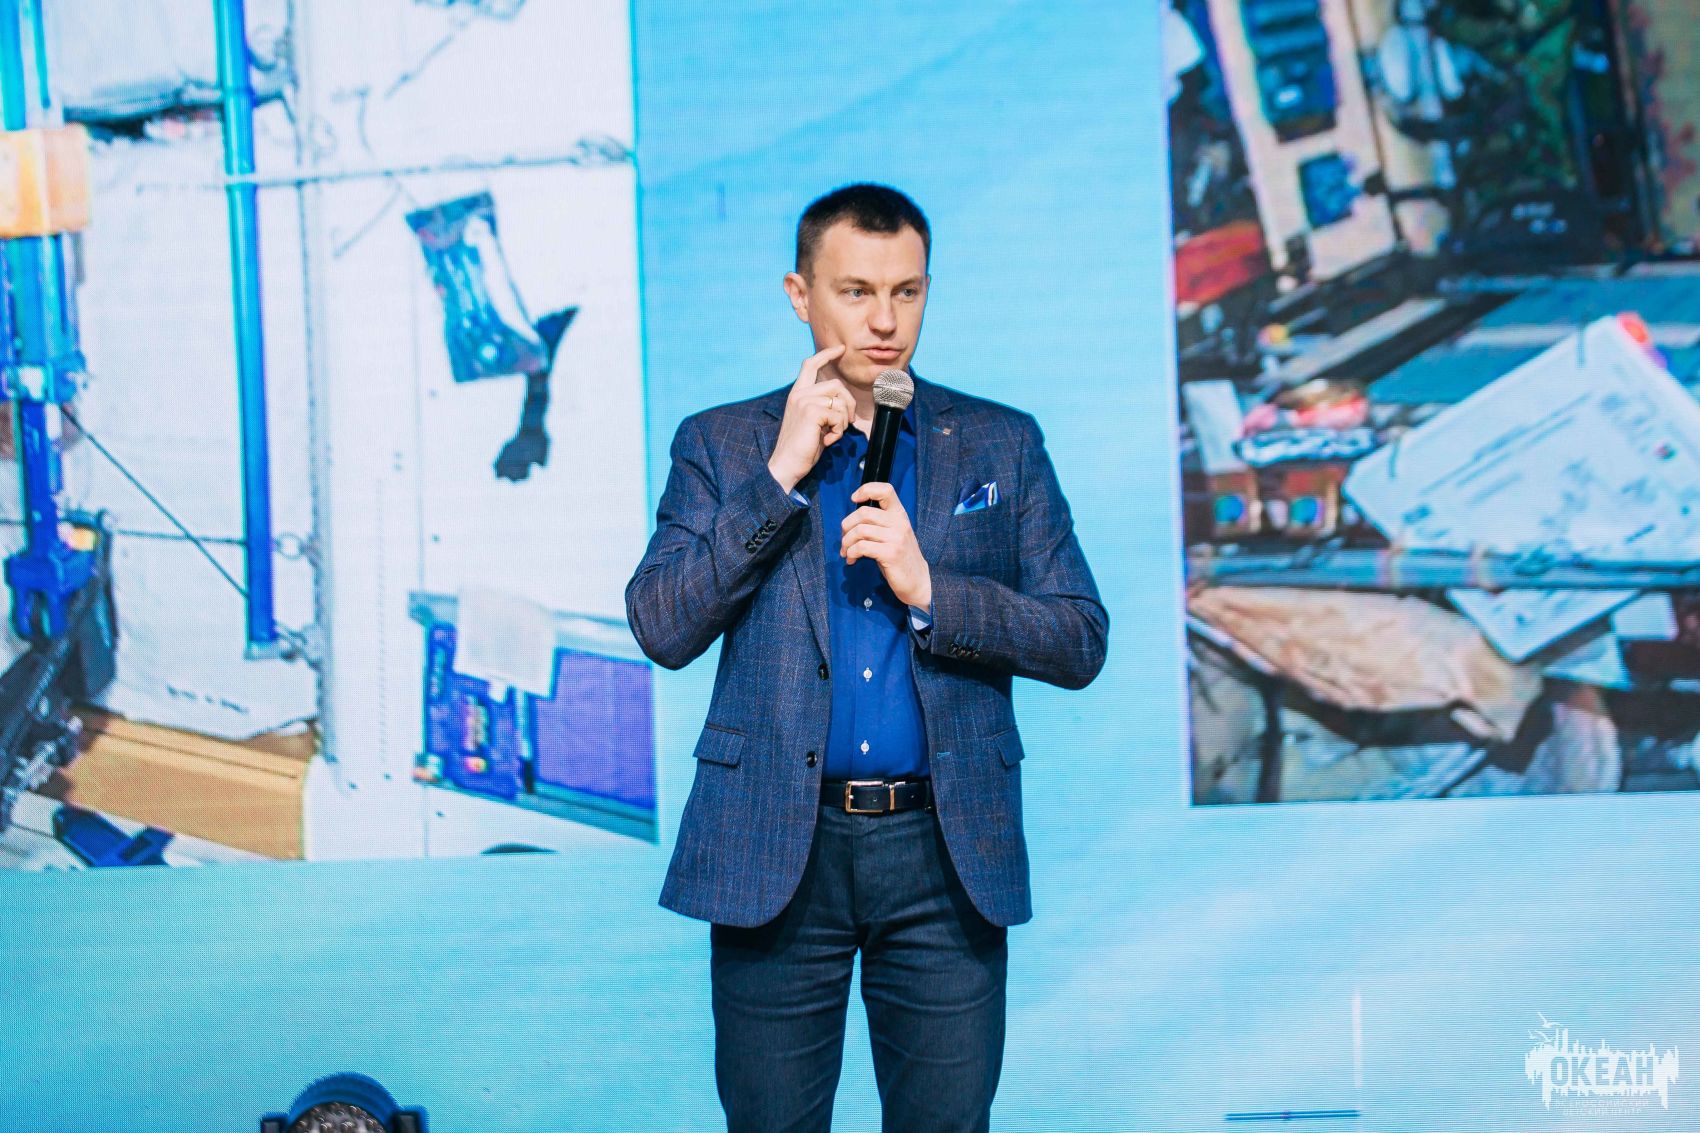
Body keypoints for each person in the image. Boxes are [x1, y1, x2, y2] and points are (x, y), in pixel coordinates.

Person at [626, 183, 1107, 1132]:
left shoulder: (1001, 443)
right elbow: (661, 625)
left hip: (944, 851)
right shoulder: (722, 444)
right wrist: (779, 476)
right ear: (800, 295)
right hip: (776, 844)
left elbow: (1079, 635)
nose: (885, 322)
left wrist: (933, 590)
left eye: (907, 292)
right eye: (856, 292)